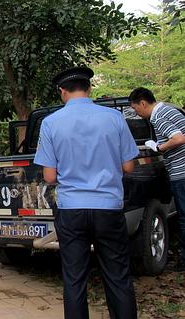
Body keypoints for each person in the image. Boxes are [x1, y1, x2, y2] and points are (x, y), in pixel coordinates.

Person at [34, 67, 139, 319]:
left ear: (62, 91)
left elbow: (49, 176)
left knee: (74, 279)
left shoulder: (50, 123)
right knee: (118, 277)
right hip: (108, 208)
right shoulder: (114, 118)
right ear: (89, 88)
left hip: (72, 210)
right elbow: (128, 166)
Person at [129, 87, 185, 271]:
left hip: (181, 173)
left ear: (143, 103)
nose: (136, 114)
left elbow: (178, 138)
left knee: (184, 217)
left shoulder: (158, 117)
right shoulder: (170, 110)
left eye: (136, 109)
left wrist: (159, 147)